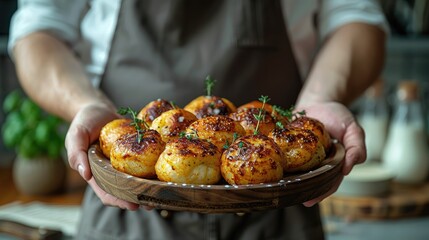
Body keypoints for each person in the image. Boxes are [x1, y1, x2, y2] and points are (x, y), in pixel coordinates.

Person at [8, 0, 387, 239]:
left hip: (282, 208)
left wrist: (320, 99)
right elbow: (38, 29)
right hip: (126, 211)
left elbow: (356, 16)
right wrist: (84, 104)